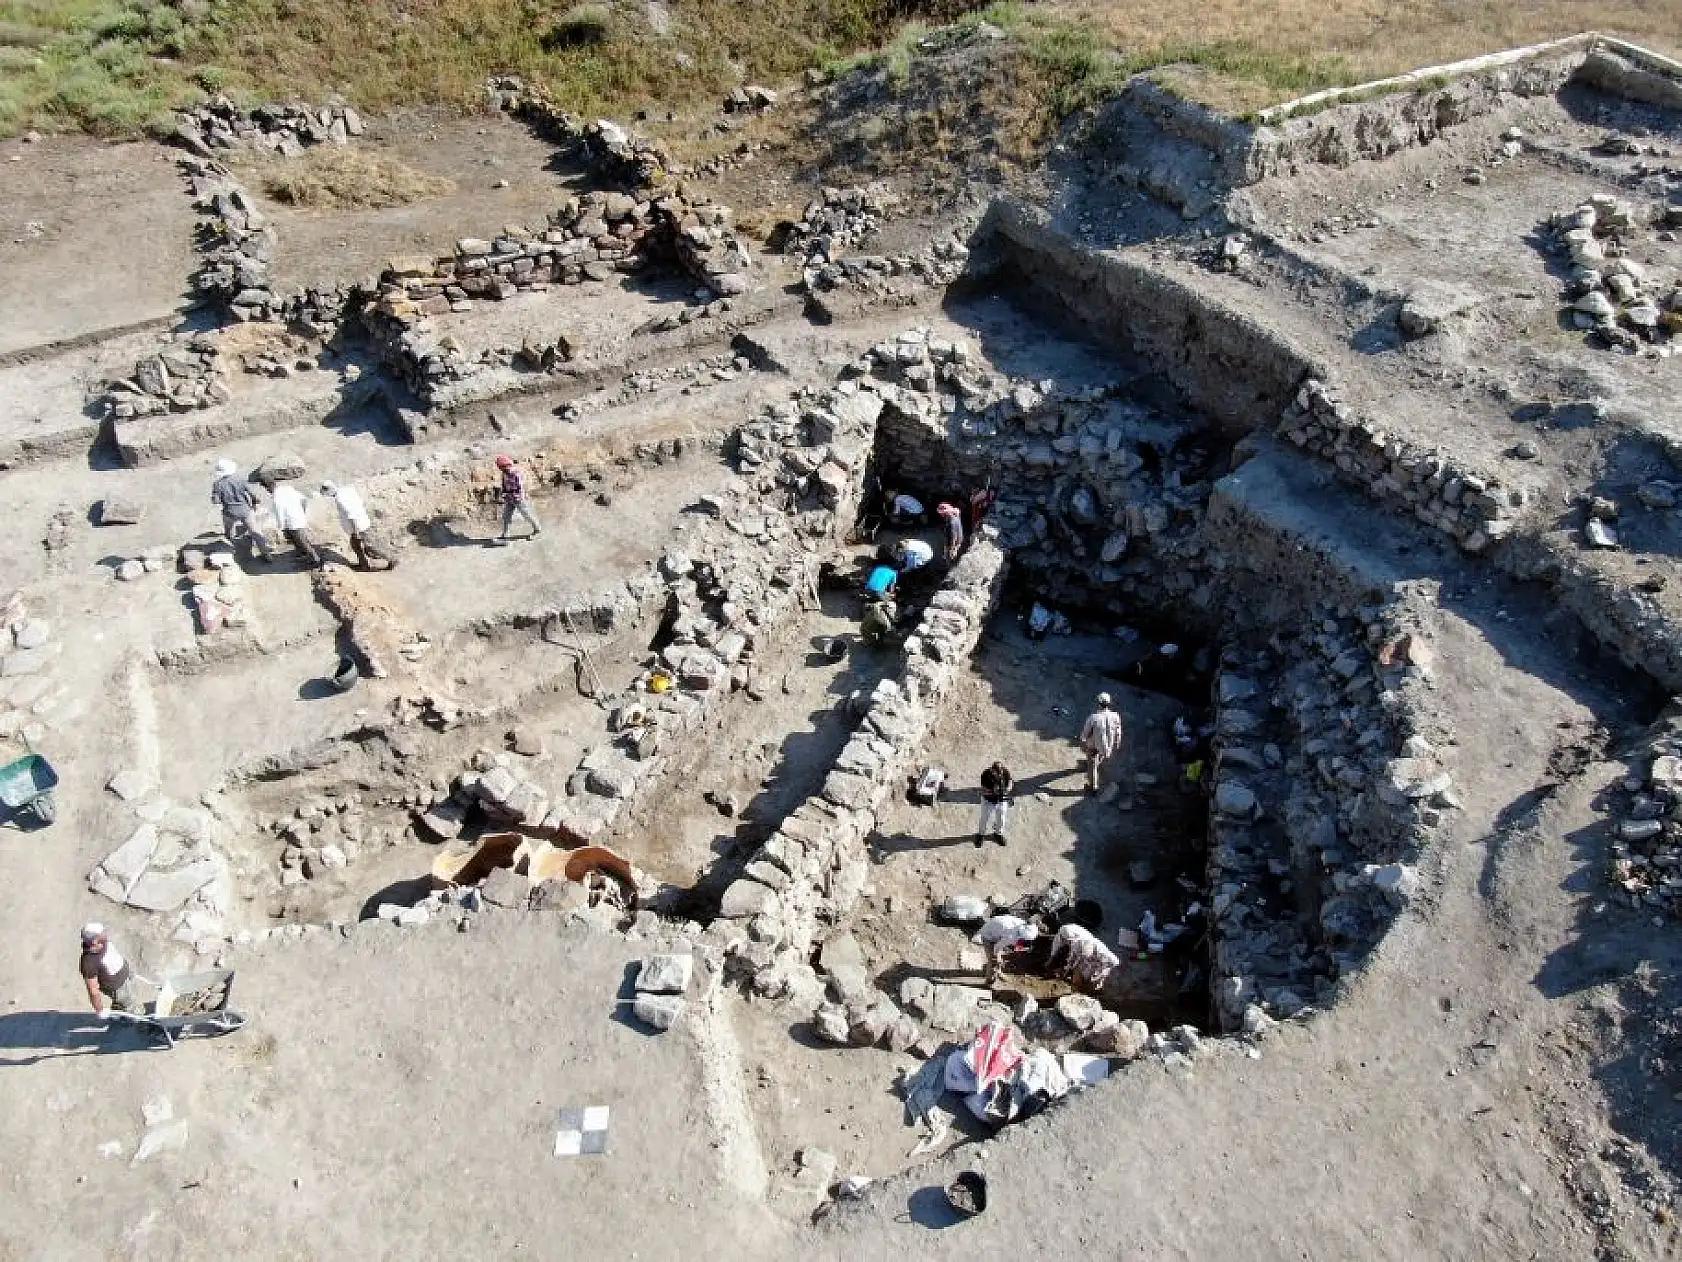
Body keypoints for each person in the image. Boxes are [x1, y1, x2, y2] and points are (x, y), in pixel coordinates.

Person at [320, 481, 394, 571]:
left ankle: (391, 559)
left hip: (358, 528)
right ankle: (364, 566)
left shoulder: (340, 499)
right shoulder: (347, 490)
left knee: (369, 548)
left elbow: (351, 515)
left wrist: (356, 532)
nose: (328, 496)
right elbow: (358, 502)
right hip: (363, 522)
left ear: (329, 490)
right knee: (357, 546)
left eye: (326, 494)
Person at [211, 458, 274, 562]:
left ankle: (229, 542)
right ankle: (266, 554)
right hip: (245, 511)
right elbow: (251, 493)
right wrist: (255, 501)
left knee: (228, 529)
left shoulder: (217, 484)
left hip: (229, 512)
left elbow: (216, 501)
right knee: (255, 532)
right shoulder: (240, 480)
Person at [79, 923, 139, 1017]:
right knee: (132, 1007)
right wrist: (100, 1010)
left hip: (125, 973)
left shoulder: (102, 942)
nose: (105, 933)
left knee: (129, 995)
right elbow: (93, 991)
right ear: (94, 941)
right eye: (102, 933)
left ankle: (118, 1010)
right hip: (118, 988)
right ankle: (138, 1024)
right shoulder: (89, 963)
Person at [1047, 922, 1120, 990]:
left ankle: (1091, 988)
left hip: (1102, 962)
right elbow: (1072, 961)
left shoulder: (1106, 958)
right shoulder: (1074, 941)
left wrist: (1086, 976)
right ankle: (1076, 985)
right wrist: (1063, 969)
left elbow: (1082, 965)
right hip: (1073, 937)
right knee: (1075, 969)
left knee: (1090, 977)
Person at [268, 478, 322, 568]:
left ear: (268, 488)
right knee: (297, 539)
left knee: (302, 542)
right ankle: (302, 554)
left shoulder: (276, 499)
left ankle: (316, 560)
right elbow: (304, 500)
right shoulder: (288, 489)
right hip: (299, 518)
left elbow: (280, 516)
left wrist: (283, 529)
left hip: (293, 524)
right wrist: (303, 512)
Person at [971, 913, 1039, 984]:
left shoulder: (1022, 924)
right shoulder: (1010, 936)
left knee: (999, 959)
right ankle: (989, 980)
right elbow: (996, 947)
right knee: (993, 961)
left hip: (996, 930)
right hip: (988, 936)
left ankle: (999, 972)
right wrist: (996, 957)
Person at [1079, 692, 1125, 793]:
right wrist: (1117, 742)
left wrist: (1082, 741)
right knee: (1101, 755)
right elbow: (1118, 731)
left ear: (1099, 703)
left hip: (1094, 746)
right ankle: (1097, 763)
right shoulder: (1115, 716)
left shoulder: (1093, 718)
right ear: (1109, 703)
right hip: (1108, 745)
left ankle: (1093, 787)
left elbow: (1085, 733)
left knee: (1092, 766)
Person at [495, 454, 541, 542]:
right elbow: (504, 484)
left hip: (518, 499)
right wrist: (504, 492)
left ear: (506, 465)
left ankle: (537, 529)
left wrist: (511, 494)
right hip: (509, 498)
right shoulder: (504, 473)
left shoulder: (516, 474)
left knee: (527, 515)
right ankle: (505, 534)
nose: (501, 469)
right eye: (500, 468)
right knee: (506, 516)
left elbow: (520, 488)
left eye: (501, 467)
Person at [977, 760, 1013, 846]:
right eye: (997, 773)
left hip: (1001, 800)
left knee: (1001, 819)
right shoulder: (986, 775)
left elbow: (1011, 782)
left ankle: (998, 834)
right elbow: (983, 791)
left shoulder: (1005, 772)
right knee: (984, 819)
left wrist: (1007, 789)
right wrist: (992, 792)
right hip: (988, 800)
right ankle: (981, 835)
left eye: (1000, 772)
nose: (1000, 775)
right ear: (992, 770)